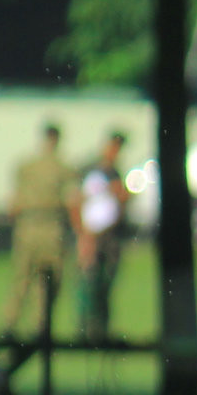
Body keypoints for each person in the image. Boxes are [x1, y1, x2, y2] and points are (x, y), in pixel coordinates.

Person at [0, 124, 75, 340]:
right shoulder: (63, 169)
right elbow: (72, 200)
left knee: (21, 278)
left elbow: (13, 204)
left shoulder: (26, 166)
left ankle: (10, 323)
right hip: (52, 227)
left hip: (27, 226)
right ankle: (40, 327)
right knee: (48, 282)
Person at [75, 130, 131, 343]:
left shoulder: (115, 173)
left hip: (110, 236)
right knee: (89, 283)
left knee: (106, 283)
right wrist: (83, 236)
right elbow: (77, 202)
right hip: (93, 236)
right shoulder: (92, 171)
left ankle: (101, 330)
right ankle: (84, 330)